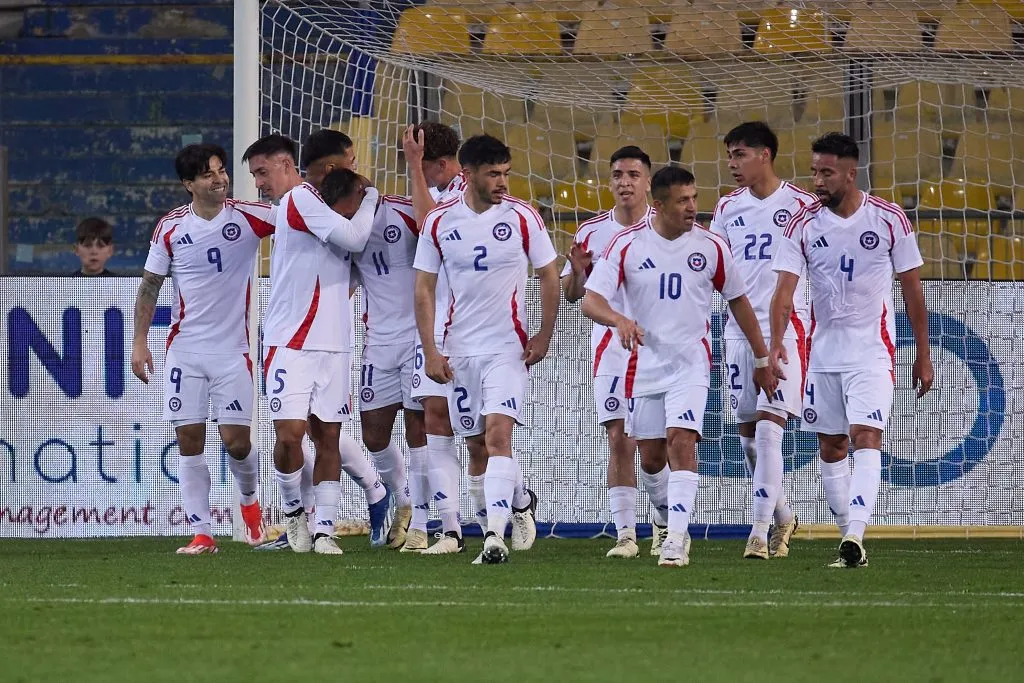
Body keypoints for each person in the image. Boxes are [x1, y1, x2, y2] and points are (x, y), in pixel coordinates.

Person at [582, 166, 778, 567]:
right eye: (683, 201)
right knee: (651, 458)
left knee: (681, 441)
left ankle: (676, 538)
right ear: (659, 206)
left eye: (694, 198)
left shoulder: (711, 246)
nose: (693, 207)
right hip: (643, 365)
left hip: (690, 362)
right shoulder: (626, 245)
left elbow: (738, 300)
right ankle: (663, 515)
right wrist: (618, 320)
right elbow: (590, 300)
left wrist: (762, 358)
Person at [769, 132, 933, 568]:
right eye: (814, 171)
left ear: (849, 172)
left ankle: (857, 533)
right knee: (832, 447)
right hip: (822, 355)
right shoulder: (801, 224)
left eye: (826, 172)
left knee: (867, 437)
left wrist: (923, 352)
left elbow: (913, 291)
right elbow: (783, 293)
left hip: (872, 353)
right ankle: (849, 544)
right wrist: (772, 349)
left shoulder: (888, 219)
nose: (817, 180)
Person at [413, 133, 560, 564]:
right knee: (476, 445)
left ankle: (494, 537)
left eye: (506, 173)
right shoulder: (440, 222)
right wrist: (432, 350)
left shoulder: (523, 217)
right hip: (459, 351)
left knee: (498, 436)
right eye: (493, 174)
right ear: (469, 174)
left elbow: (549, 275)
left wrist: (545, 335)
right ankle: (518, 501)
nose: (502, 182)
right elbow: (423, 288)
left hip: (506, 349)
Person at [130, 143, 275, 554]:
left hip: (233, 353)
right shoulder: (171, 228)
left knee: (237, 443)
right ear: (189, 184)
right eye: (209, 174)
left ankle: (249, 504)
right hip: (186, 351)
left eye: (222, 170)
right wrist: (140, 341)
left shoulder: (251, 216)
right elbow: (150, 286)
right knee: (189, 440)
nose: (220, 179)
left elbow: (300, 224)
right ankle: (202, 533)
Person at [243, 133, 379, 555]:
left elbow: (351, 257)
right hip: (290, 340)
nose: (259, 183)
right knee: (289, 436)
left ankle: (323, 529)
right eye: (255, 175)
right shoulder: (300, 201)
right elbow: (355, 240)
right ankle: (295, 516)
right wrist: (372, 197)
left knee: (328, 437)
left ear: (287, 164)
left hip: (334, 342)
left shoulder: (309, 200)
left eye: (262, 172)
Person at [708, 121, 817, 560]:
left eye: (740, 154)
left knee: (772, 427)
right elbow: (716, 268)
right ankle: (783, 514)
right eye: (730, 155)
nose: (732, 164)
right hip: (738, 328)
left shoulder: (803, 206)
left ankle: (758, 533)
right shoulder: (726, 208)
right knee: (749, 434)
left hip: (789, 328)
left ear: (765, 155)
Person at [561, 145, 666, 559]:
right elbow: (572, 295)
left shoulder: (665, 229)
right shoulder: (590, 232)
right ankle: (625, 535)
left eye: (633, 175)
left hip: (656, 350)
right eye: (618, 174)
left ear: (648, 181)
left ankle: (662, 519)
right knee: (618, 439)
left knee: (655, 447)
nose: (625, 182)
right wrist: (579, 272)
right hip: (608, 350)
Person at [303, 129, 407, 548]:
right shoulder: (313, 206)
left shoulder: (379, 208)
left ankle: (405, 507)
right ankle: (379, 494)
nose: (356, 166)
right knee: (318, 430)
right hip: (321, 336)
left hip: (394, 339)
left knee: (319, 429)